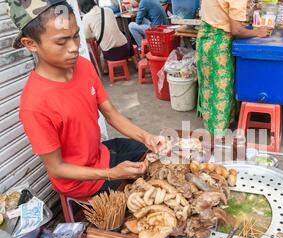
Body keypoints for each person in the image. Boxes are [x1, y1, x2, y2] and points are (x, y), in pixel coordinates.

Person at [7, 0, 165, 198]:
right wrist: (110, 174)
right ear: (30, 44)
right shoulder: (34, 105)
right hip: (82, 183)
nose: (74, 47)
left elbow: (111, 114)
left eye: (75, 36)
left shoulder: (83, 65)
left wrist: (146, 137)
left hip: (101, 154)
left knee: (161, 157)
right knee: (148, 201)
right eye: (61, 41)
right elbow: (56, 168)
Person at [197, 0, 270, 138]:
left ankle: (217, 128)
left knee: (208, 89)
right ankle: (216, 137)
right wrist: (257, 31)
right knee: (220, 91)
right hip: (218, 43)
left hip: (204, 38)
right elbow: (236, 30)